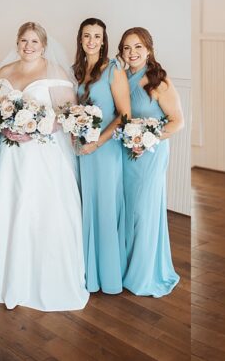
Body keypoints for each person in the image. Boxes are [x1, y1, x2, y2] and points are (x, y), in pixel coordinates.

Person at [0, 22, 88, 311]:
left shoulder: (55, 72)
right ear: (17, 43)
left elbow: (68, 115)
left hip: (43, 154)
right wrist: (5, 129)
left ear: (43, 45)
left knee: (42, 209)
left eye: (34, 42)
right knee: (11, 207)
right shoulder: (3, 73)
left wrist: (34, 128)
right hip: (11, 154)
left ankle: (47, 278)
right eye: (24, 41)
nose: (29, 46)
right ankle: (7, 277)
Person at [120, 27, 184, 296]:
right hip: (123, 153)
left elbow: (178, 122)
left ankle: (144, 273)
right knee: (126, 209)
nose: (132, 52)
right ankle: (124, 266)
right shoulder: (120, 78)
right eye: (127, 48)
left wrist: (146, 139)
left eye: (137, 47)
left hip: (150, 155)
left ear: (148, 49)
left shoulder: (159, 81)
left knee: (144, 212)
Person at [72, 18, 131, 294]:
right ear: (81, 40)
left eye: (97, 36)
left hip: (105, 150)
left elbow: (124, 114)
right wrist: (76, 133)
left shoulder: (113, 69)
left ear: (104, 40)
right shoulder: (80, 72)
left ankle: (107, 276)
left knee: (105, 207)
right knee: (88, 206)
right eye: (87, 36)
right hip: (83, 150)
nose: (92, 41)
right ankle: (89, 273)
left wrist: (97, 144)